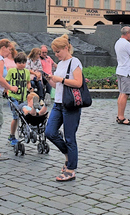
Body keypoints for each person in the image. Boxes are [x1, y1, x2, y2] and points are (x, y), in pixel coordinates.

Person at [44, 34, 84, 182]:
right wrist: (50, 79)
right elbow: (58, 85)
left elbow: (78, 83)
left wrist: (59, 79)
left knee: (69, 137)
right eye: (54, 52)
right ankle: (68, 154)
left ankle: (71, 169)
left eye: (58, 51)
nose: (56, 54)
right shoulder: (60, 64)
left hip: (70, 105)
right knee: (49, 132)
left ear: (66, 48)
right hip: (58, 103)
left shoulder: (75, 62)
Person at [6, 52, 32, 145]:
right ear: (16, 62)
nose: (22, 64)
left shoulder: (27, 72)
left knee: (25, 114)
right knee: (16, 116)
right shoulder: (11, 71)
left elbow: (28, 82)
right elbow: (6, 82)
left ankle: (25, 130)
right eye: (19, 62)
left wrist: (30, 88)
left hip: (23, 98)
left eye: (23, 62)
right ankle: (12, 136)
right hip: (13, 97)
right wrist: (6, 91)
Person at [114, 26, 130, 125]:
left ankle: (119, 115)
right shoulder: (126, 44)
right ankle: (121, 117)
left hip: (120, 69)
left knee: (121, 93)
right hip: (126, 71)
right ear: (127, 33)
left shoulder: (118, 42)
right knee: (125, 94)